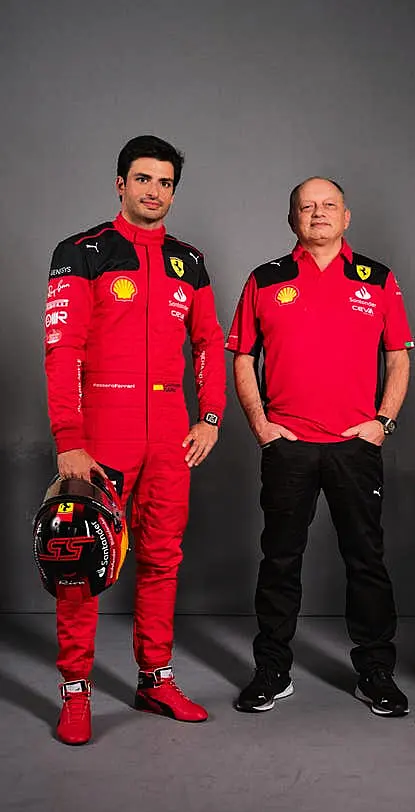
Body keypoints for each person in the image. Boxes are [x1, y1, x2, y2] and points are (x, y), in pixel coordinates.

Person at [44, 135, 226, 744]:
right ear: (120, 183)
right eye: (143, 179)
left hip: (170, 433)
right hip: (101, 433)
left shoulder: (189, 262)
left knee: (162, 559)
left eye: (166, 183)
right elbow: (61, 348)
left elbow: (208, 343)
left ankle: (155, 678)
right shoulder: (81, 252)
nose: (155, 192)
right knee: (78, 561)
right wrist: (70, 437)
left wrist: (211, 416)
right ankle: (75, 691)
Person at [226, 177, 414, 717]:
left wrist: (384, 421)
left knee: (367, 562)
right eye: (307, 207)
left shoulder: (376, 279)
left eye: (329, 205)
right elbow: (241, 356)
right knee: (280, 561)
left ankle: (376, 672)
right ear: (293, 220)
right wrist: (262, 425)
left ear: (346, 217)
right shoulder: (266, 279)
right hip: (289, 446)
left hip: (356, 446)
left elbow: (399, 355)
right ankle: (271, 670)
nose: (318, 213)